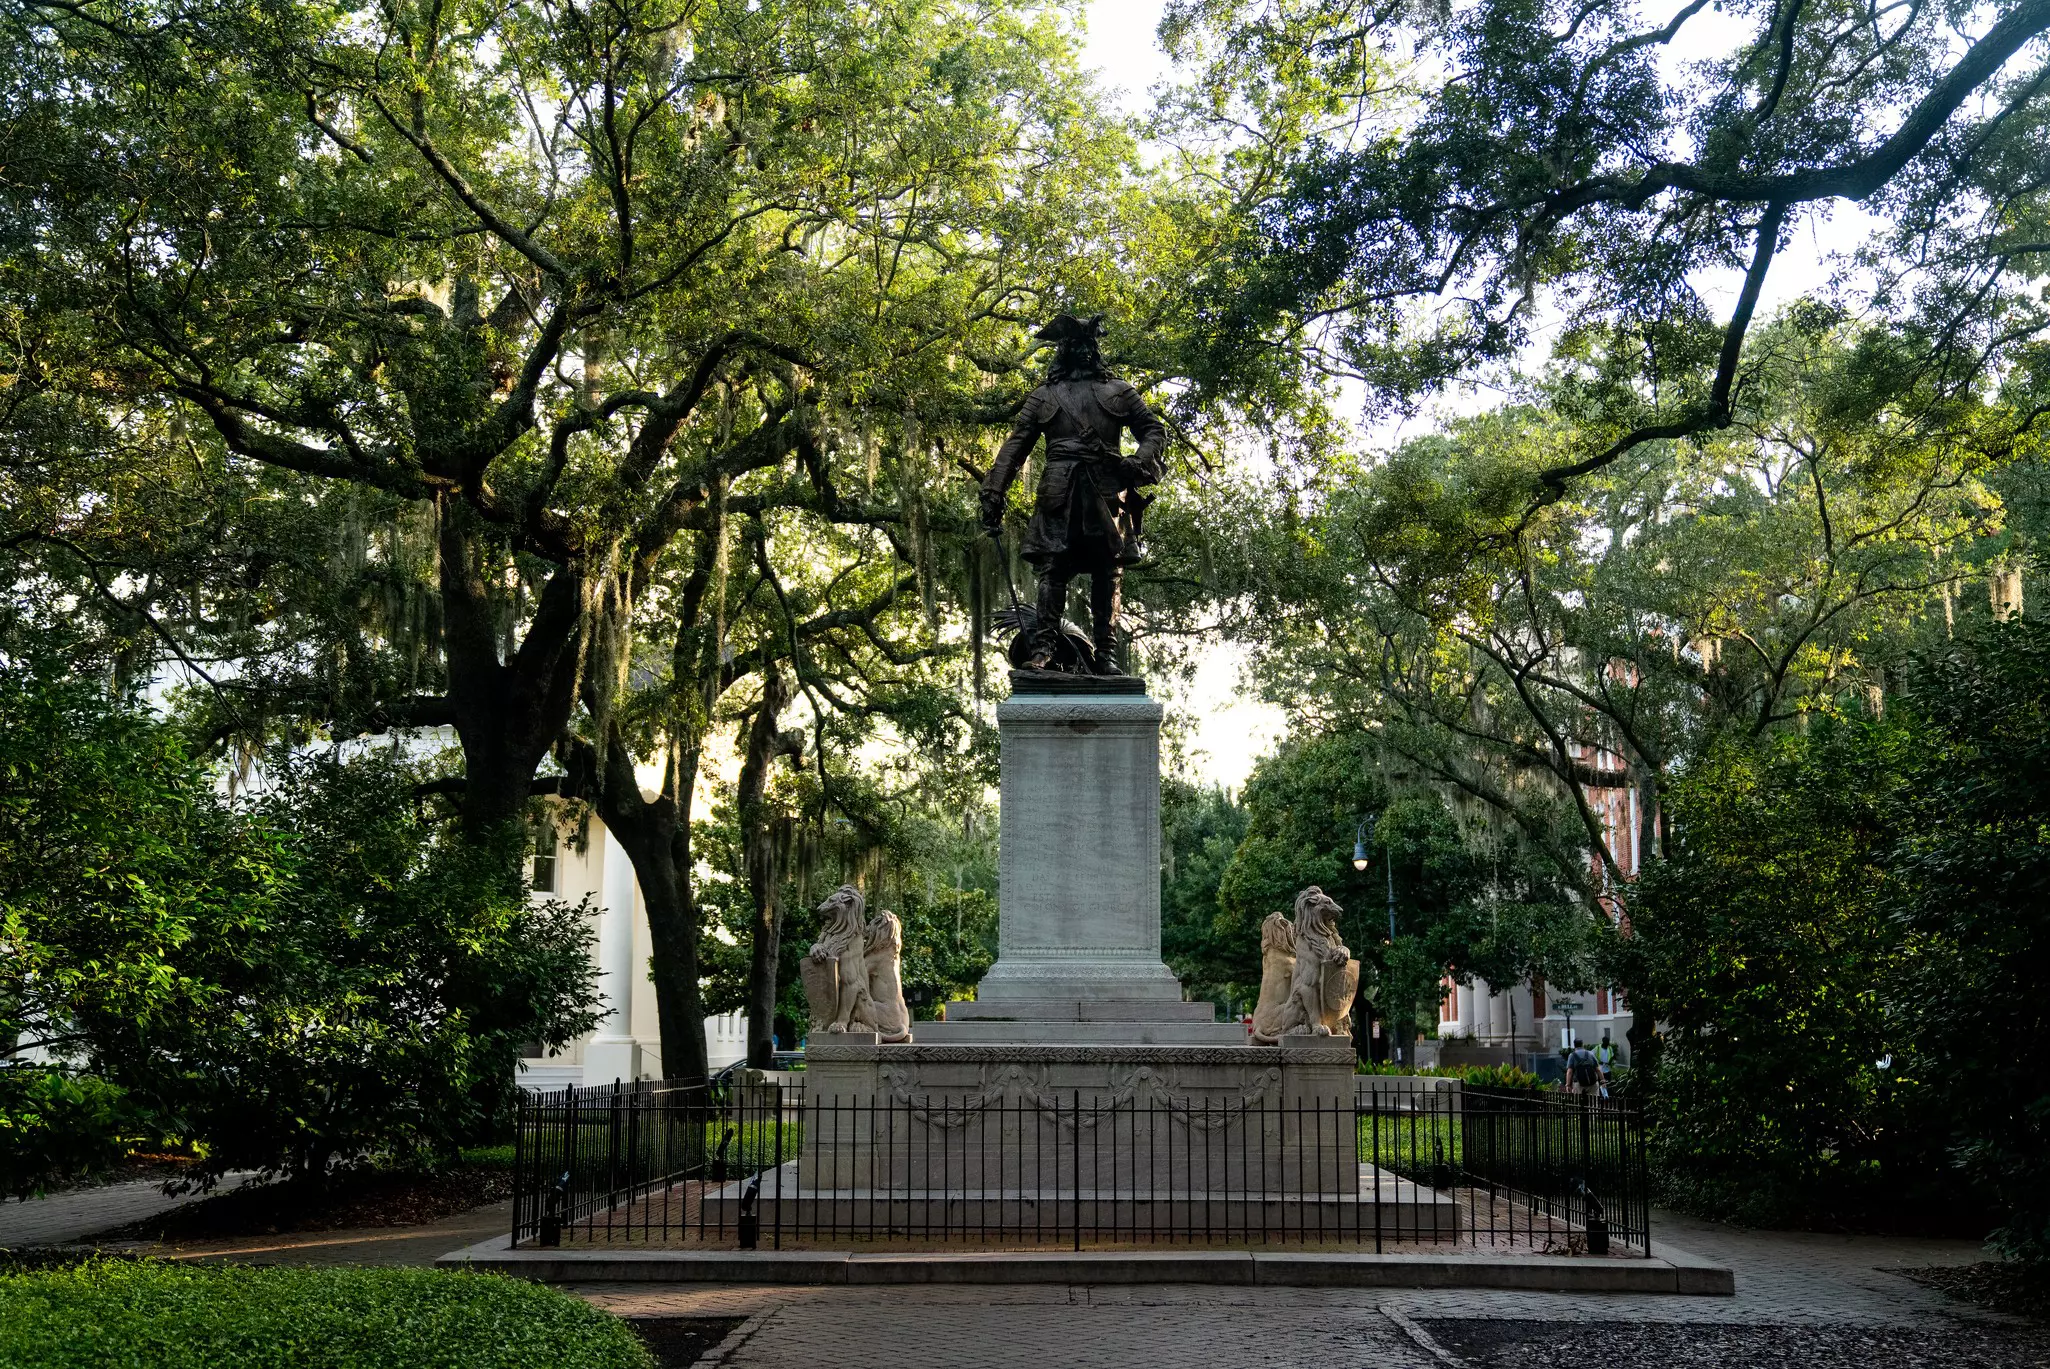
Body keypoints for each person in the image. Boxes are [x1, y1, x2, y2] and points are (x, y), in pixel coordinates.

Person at [980, 314, 1167, 674]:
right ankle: (1043, 650)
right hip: (1059, 490)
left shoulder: (1119, 391)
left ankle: (1106, 654)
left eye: (1089, 345)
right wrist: (994, 492)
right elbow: (1015, 447)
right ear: (1064, 351)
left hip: (1108, 491)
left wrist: (1137, 462)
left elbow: (1153, 431)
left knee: (1107, 572)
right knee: (1053, 569)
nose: (1084, 352)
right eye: (1076, 345)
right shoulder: (1044, 397)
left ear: (1096, 350)